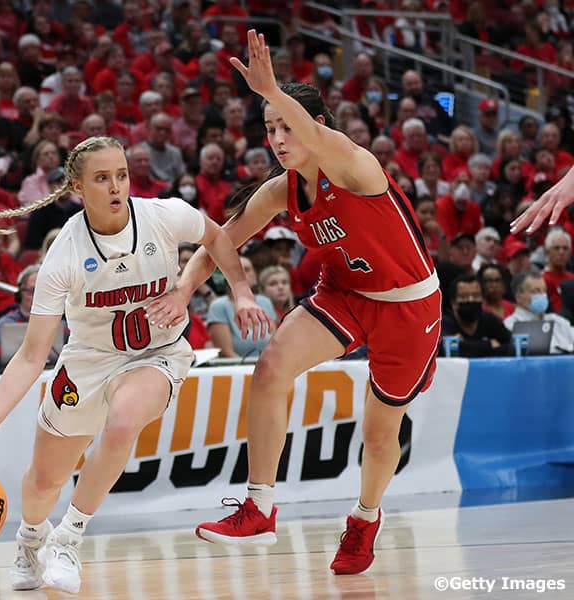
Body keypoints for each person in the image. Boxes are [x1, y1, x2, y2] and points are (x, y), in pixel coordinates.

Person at [146, 31, 442, 575]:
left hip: (407, 306)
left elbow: (318, 134)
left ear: (316, 125)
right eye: (270, 128)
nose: (278, 139)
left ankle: (365, 518)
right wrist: (185, 290)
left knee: (379, 434)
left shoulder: (354, 165)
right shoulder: (280, 190)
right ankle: (259, 508)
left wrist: (272, 91)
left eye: (287, 126)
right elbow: (218, 241)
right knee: (270, 368)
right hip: (344, 294)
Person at [0, 136, 271, 594]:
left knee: (123, 422)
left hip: (156, 353)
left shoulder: (163, 215)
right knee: (43, 482)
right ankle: (31, 538)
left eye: (122, 175)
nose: (116, 186)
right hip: (88, 362)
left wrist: (238, 291)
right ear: (78, 187)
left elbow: (216, 235)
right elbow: (32, 355)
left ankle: (69, 538)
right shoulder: (64, 255)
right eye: (102, 178)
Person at [440, 274, 512, 357]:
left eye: (476, 296)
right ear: (453, 303)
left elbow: (511, 345)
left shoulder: (489, 319)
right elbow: (445, 348)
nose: (471, 300)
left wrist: (465, 344)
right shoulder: (444, 323)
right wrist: (488, 345)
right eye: (464, 296)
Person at [504, 272, 574, 354]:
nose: (542, 295)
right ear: (518, 297)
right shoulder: (511, 325)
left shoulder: (558, 321)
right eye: (536, 291)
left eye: (544, 291)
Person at [511, 166, 574, 234]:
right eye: (539, 188)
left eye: (548, 186)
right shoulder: (528, 205)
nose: (545, 190)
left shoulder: (561, 202)